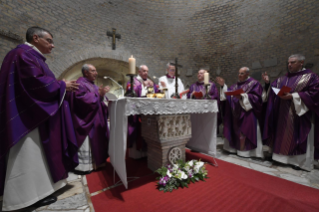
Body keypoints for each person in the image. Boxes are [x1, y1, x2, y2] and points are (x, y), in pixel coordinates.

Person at [0, 26, 79, 211]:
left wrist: (59, 86)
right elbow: (35, 83)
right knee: (29, 153)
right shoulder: (22, 54)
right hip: (26, 116)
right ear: (35, 38)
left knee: (38, 154)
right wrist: (61, 85)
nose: (52, 45)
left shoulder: (30, 56)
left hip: (31, 113)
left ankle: (40, 190)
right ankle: (26, 197)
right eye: (49, 41)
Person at [263, 54, 319, 171]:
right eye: (288, 62)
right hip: (282, 115)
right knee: (282, 135)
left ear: (301, 63)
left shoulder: (311, 77)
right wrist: (268, 84)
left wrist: (293, 96)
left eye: (293, 62)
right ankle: (280, 158)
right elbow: (273, 91)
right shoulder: (283, 78)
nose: (289, 65)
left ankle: (299, 162)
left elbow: (315, 94)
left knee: (297, 137)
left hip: (300, 115)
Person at [67, 64, 110, 173]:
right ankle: (85, 166)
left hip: (96, 119)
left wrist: (103, 98)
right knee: (88, 142)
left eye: (96, 71)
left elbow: (99, 100)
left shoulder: (93, 85)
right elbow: (81, 99)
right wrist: (98, 96)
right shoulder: (80, 83)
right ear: (86, 72)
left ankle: (97, 163)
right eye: (93, 71)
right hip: (87, 120)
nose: (96, 73)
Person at [216, 67, 264, 159]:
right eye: (239, 73)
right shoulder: (235, 86)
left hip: (248, 114)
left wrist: (243, 96)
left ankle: (247, 153)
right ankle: (234, 149)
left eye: (242, 73)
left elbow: (257, 99)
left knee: (246, 131)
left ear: (247, 74)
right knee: (235, 131)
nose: (239, 75)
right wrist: (223, 86)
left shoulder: (254, 84)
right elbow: (227, 95)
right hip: (235, 114)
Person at [126, 65, 158, 158]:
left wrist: (153, 88)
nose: (146, 73)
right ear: (139, 72)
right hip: (137, 112)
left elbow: (156, 94)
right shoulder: (133, 81)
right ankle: (136, 154)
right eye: (144, 71)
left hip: (147, 112)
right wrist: (141, 86)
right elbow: (130, 94)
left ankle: (146, 153)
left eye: (147, 71)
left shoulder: (150, 82)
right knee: (137, 131)